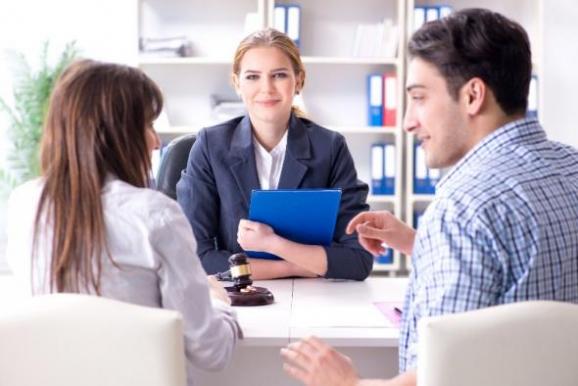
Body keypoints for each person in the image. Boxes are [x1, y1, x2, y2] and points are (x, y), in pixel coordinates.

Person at [281, 8, 578, 386]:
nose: (407, 122)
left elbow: (444, 378)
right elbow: (522, 274)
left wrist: (348, 385)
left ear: (473, 95)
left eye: (419, 98)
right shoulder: (571, 167)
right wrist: (419, 243)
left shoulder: (462, 207)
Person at [6, 60, 241, 385]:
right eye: (147, 125)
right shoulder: (154, 215)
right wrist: (218, 302)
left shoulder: (22, 204)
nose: (156, 142)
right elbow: (210, 351)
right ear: (116, 135)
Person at [176, 28, 373, 280]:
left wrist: (272, 244)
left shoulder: (330, 148)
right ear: (237, 83)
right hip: (240, 299)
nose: (266, 88)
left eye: (279, 75)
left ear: (299, 80)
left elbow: (358, 259)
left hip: (315, 300)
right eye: (252, 77)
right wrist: (293, 267)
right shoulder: (211, 146)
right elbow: (193, 257)